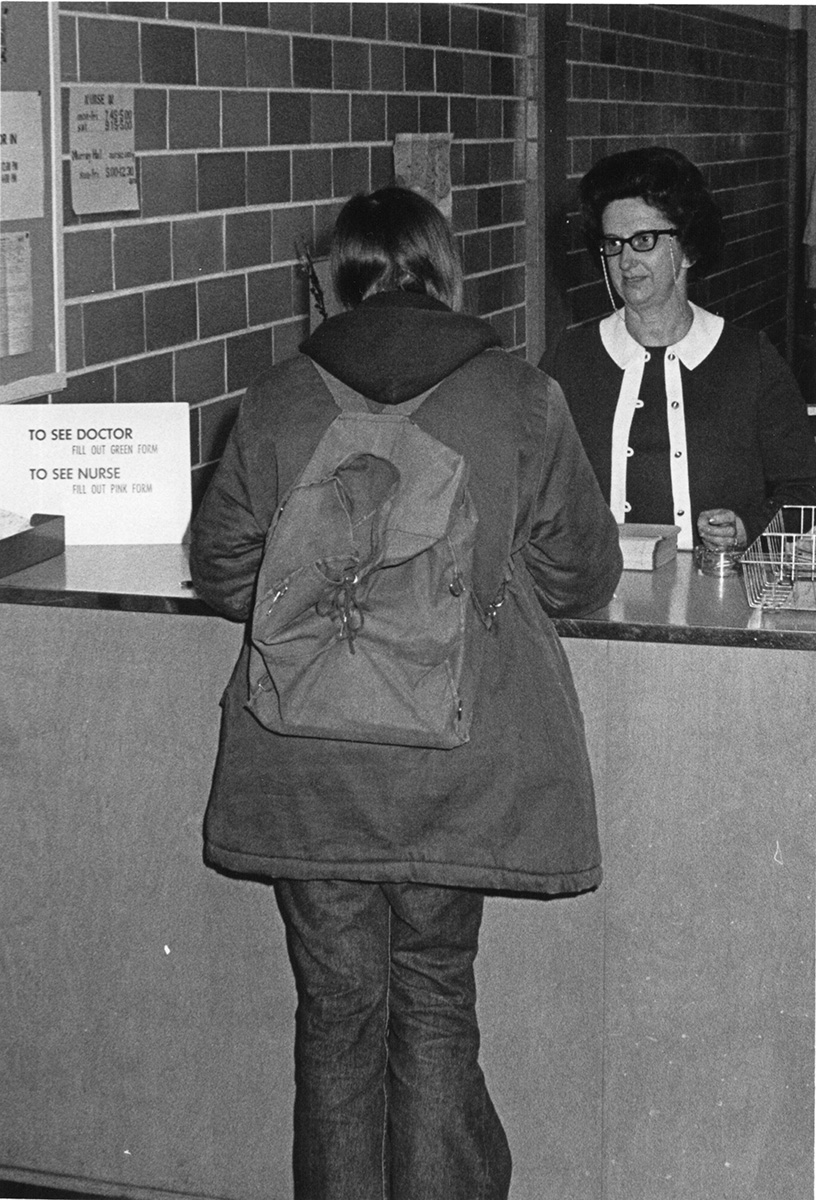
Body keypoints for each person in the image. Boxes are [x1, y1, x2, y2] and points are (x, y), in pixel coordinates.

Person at [189, 185, 622, 1200]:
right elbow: (581, 575)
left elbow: (219, 571)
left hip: (308, 770)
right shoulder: (519, 395)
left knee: (337, 1020)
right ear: (445, 270)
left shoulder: (278, 398)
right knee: (432, 1004)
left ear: (333, 276)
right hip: (454, 766)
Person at [541, 146, 816, 552]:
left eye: (644, 240)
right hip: (598, 603)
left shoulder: (749, 359)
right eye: (614, 244)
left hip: (719, 598)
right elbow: (531, 489)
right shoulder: (569, 360)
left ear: (686, 249)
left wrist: (748, 526)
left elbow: (805, 489)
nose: (626, 260)